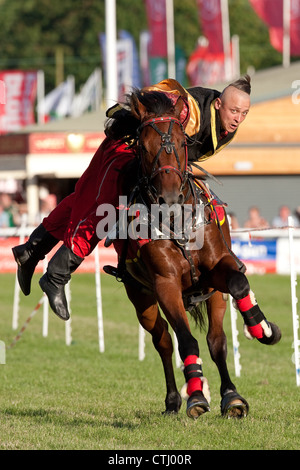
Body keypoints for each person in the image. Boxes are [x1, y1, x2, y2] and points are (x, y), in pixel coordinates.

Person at [12, 76, 251, 321]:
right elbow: (148, 99)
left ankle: (31, 250)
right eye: (234, 111)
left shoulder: (223, 128)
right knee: (106, 208)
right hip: (127, 146)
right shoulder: (188, 109)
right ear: (219, 104)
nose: (238, 118)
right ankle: (56, 276)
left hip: (145, 154)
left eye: (244, 113)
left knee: (82, 199)